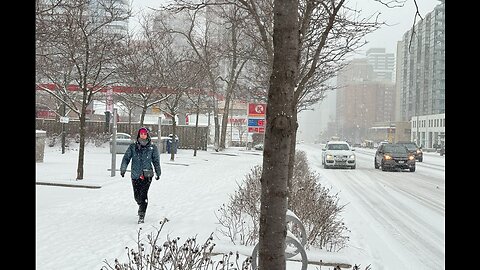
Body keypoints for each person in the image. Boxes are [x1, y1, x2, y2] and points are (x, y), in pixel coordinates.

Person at [120, 127, 161, 224]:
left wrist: (158, 172)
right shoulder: (133, 147)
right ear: (139, 135)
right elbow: (126, 158)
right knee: (137, 196)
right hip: (135, 174)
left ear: (147, 135)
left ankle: (141, 214)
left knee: (143, 195)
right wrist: (123, 169)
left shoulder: (152, 148)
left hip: (147, 175)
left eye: (145, 134)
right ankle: (141, 204)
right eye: (141, 134)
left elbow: (156, 161)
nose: (143, 135)